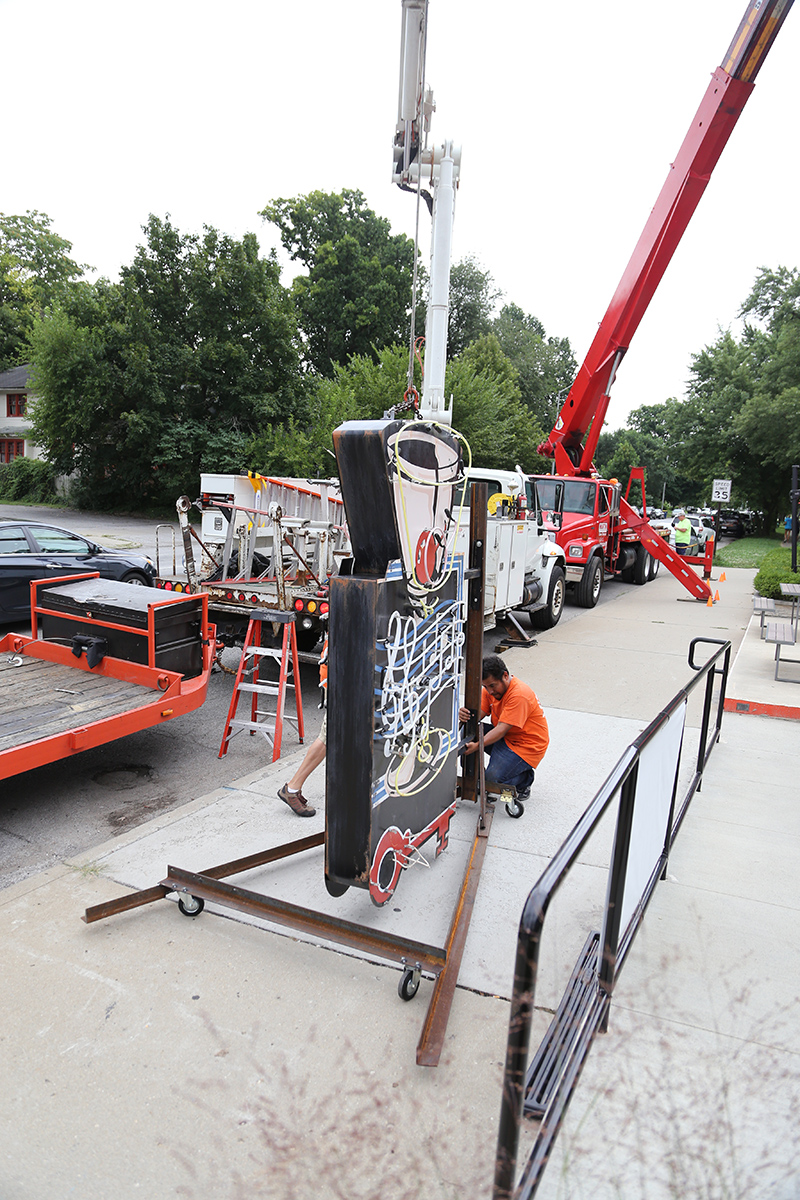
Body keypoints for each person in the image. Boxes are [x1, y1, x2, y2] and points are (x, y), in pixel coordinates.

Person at [458, 654, 549, 802]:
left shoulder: (519, 694)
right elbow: (478, 715)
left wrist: (477, 746)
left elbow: (501, 729)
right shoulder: (490, 690)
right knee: (469, 731)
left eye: (492, 685)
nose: (490, 691)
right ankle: (476, 778)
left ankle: (524, 779)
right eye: (485, 686)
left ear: (505, 676)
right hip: (506, 738)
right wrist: (465, 715)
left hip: (526, 746)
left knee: (492, 782)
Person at [277, 630, 328, 817]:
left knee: (329, 737)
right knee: (327, 737)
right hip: (341, 678)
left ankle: (292, 788)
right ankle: (292, 789)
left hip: (340, 675)